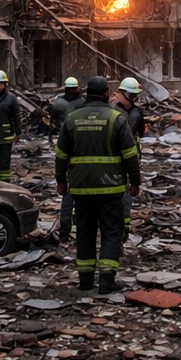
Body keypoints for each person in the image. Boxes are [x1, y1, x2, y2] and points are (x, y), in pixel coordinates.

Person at [55, 76, 140, 294]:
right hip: (111, 188)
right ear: (106, 93)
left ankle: (85, 282)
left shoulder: (72, 119)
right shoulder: (117, 118)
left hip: (81, 188)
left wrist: (61, 181)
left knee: (85, 232)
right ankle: (106, 281)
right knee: (111, 232)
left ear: (86, 93)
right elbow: (130, 154)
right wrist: (135, 181)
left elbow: (61, 153)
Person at [49, 78, 86, 243]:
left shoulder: (60, 102)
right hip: (77, 148)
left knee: (69, 196)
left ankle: (66, 231)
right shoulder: (81, 104)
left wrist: (60, 178)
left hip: (68, 147)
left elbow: (52, 119)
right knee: (76, 197)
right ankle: (72, 230)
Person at [112, 76, 145, 238]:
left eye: (135, 95)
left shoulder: (138, 112)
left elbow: (141, 133)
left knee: (127, 193)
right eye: (131, 95)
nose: (134, 98)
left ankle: (124, 227)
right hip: (113, 156)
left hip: (131, 155)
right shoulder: (111, 110)